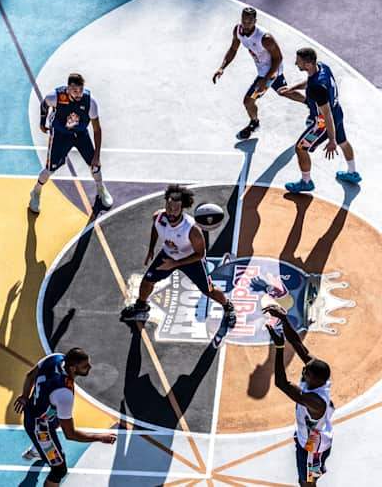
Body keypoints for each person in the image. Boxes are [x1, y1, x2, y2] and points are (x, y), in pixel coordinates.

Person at [121, 184, 236, 348]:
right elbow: (156, 229)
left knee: (208, 290)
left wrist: (175, 264)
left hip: (191, 261)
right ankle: (141, 304)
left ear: (182, 208)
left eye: (175, 208)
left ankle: (227, 306)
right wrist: (151, 249)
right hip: (168, 255)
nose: (171, 211)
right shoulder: (159, 217)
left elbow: (200, 254)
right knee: (147, 281)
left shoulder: (191, 229)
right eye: (168, 206)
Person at [14, 348, 116, 486]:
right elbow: (70, 434)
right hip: (40, 428)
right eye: (85, 366)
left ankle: (37, 449)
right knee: (59, 470)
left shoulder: (55, 358)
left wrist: (25, 395)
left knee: (56, 418)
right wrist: (99, 437)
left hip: (36, 409)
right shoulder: (64, 394)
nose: (90, 367)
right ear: (73, 369)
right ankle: (39, 447)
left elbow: (30, 375)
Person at [263, 304, 334, 486]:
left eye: (306, 372)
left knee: (307, 482)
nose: (303, 370)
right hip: (308, 438)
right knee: (304, 479)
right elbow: (296, 343)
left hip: (313, 449)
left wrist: (279, 348)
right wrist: (284, 319)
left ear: (316, 380)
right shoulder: (318, 374)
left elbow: (282, 383)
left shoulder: (315, 401)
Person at [278, 47, 362, 193]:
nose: (296, 64)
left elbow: (326, 114)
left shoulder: (317, 88)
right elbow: (309, 81)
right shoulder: (323, 67)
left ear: (308, 64)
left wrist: (331, 140)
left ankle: (306, 182)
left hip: (323, 124)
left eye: (299, 62)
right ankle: (352, 172)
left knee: (300, 148)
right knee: (344, 141)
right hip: (338, 113)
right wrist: (291, 88)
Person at [29, 73, 113, 213]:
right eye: (75, 91)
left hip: (80, 133)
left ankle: (100, 188)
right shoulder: (55, 97)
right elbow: (44, 104)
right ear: (68, 89)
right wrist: (42, 122)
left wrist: (97, 155)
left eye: (81, 90)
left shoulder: (90, 102)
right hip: (61, 134)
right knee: (50, 168)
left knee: (94, 164)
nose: (79, 94)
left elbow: (97, 129)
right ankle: (36, 191)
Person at [213, 6, 296, 140]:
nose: (246, 25)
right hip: (263, 70)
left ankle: (254, 123)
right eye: (243, 21)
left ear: (255, 21)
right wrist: (222, 67)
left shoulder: (265, 38)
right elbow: (233, 49)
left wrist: (264, 80)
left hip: (271, 72)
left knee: (248, 101)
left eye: (249, 22)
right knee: (283, 91)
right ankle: (311, 103)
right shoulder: (238, 30)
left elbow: (278, 58)